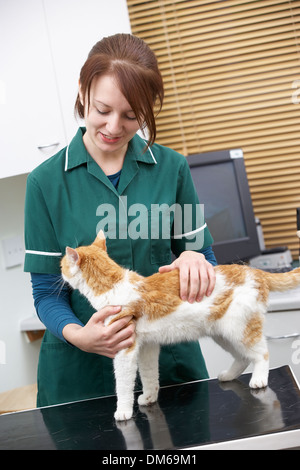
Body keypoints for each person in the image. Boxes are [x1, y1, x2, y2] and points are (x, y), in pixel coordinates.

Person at [24, 33, 217, 408]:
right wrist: (81, 335)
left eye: (131, 116)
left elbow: (203, 259)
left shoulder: (173, 169)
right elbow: (46, 292)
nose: (114, 127)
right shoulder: (44, 183)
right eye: (102, 109)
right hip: (81, 381)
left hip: (171, 369)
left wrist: (197, 261)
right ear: (82, 93)